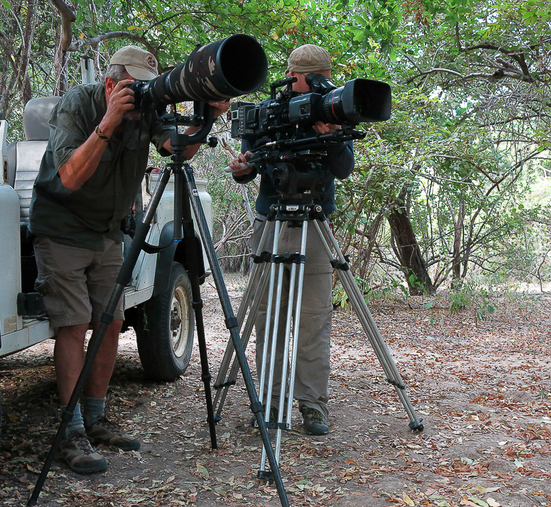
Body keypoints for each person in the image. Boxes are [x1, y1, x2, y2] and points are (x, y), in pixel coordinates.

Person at [29, 45, 228, 473]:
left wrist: (208, 114)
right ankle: (71, 430)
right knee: (74, 323)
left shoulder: (148, 108)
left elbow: (178, 148)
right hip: (62, 227)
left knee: (112, 321)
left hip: (107, 229)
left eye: (145, 89)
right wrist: (108, 122)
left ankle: (97, 419)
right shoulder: (79, 105)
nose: (139, 97)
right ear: (108, 84)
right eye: (131, 88)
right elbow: (69, 176)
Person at [228, 44, 354, 436]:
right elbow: (248, 168)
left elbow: (345, 168)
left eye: (323, 78)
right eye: (309, 79)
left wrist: (333, 135)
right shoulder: (270, 111)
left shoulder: (334, 109)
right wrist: (240, 168)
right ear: (291, 77)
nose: (317, 87)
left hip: (315, 223)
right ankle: (269, 400)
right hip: (273, 220)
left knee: (315, 319)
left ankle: (313, 405)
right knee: (269, 317)